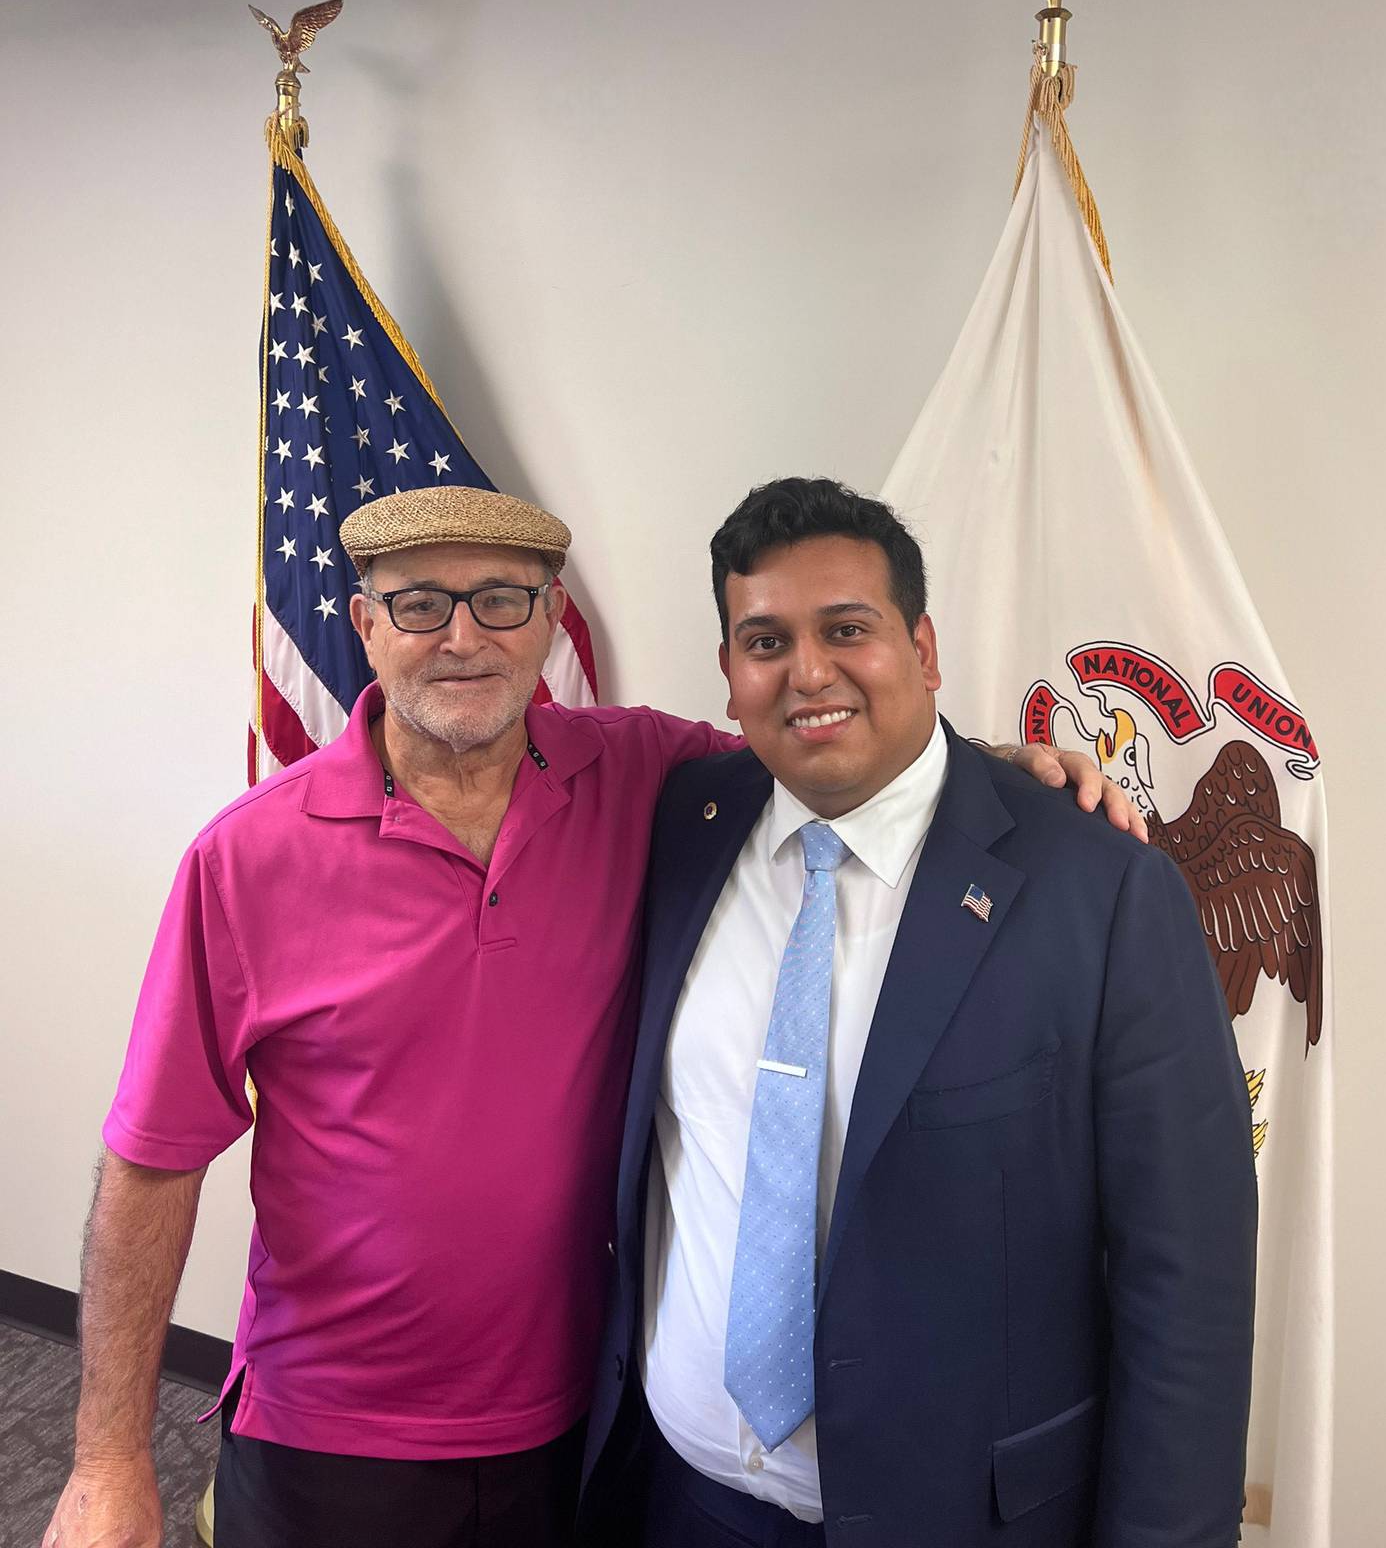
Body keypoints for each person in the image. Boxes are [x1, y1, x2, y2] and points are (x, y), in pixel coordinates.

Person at [42, 485, 1141, 1548]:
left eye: (502, 600)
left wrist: (994, 768)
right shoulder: (246, 860)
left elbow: (831, 751)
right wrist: (106, 1460)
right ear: (367, 627)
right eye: (421, 602)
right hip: (334, 1438)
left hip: (584, 1426)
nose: (462, 636)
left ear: (547, 622)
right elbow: (152, 1162)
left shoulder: (644, 774)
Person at [578, 477, 1258, 1548]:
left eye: (847, 629)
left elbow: (1189, 1284)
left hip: (962, 1519)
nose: (808, 672)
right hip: (686, 1502)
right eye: (765, 640)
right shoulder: (682, 832)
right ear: (728, 674)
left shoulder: (1101, 891)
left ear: (924, 649)